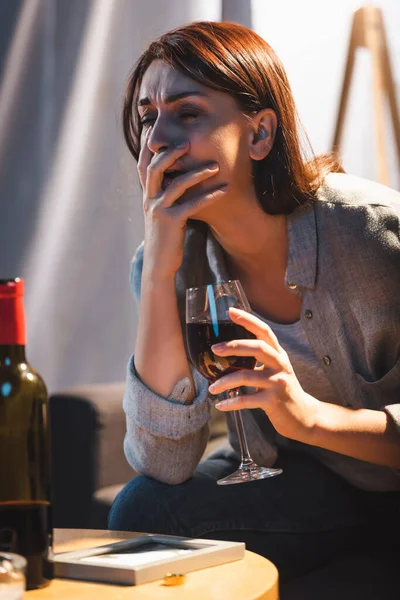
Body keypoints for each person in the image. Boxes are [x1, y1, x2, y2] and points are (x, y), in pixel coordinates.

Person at [108, 20, 400, 581]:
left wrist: (308, 418)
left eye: (187, 113)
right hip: (302, 485)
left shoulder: (371, 236)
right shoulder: (164, 258)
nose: (156, 140)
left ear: (260, 134)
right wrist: (158, 273)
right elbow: (162, 465)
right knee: (142, 509)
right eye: (148, 117)